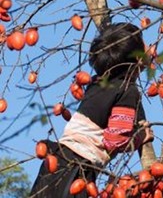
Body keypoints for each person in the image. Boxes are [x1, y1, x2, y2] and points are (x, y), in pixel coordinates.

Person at [30, 22, 154, 197]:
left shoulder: (96, 84)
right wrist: (141, 136)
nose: (149, 47)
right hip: (76, 169)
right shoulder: (128, 91)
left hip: (55, 163)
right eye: (144, 44)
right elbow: (114, 140)